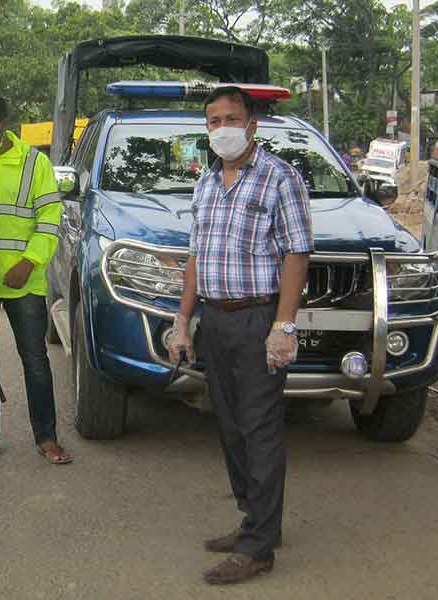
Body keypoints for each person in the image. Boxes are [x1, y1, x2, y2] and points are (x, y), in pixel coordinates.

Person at [167, 86, 313, 585]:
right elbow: (194, 257)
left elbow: (297, 254)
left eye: (231, 118)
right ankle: (257, 522)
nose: (222, 128)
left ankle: (258, 549)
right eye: (213, 121)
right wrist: (182, 321)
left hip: (257, 319)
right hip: (215, 320)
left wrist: (283, 325)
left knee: (259, 428)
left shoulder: (280, 178)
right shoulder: (206, 183)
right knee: (229, 426)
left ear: (251, 125)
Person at [0, 92, 71, 465]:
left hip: (24, 281)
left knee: (35, 359)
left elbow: (49, 217)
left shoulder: (33, 164)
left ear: (3, 126)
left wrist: (30, 260)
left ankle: (47, 437)